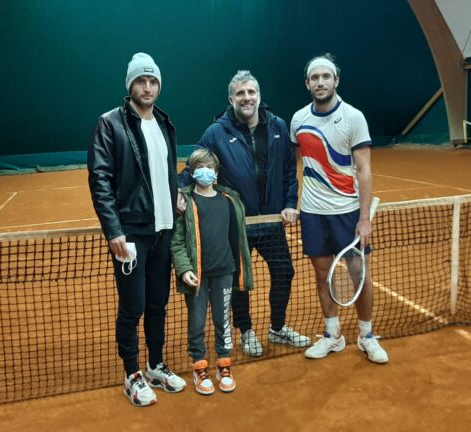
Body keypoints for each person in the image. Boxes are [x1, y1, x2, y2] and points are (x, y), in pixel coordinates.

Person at [178, 70, 310, 357]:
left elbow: (289, 171)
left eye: (251, 92)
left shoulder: (277, 126)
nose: (246, 98)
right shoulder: (216, 132)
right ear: (231, 99)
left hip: (271, 222)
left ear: (259, 95)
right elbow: (195, 166)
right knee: (238, 282)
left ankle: (277, 326)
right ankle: (246, 331)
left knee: (284, 272)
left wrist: (289, 202)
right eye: (240, 93)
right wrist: (178, 191)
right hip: (236, 224)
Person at [87, 52, 187, 407]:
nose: (147, 87)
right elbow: (100, 179)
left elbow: (163, 171)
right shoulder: (110, 123)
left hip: (163, 229)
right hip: (130, 233)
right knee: (133, 307)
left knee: (158, 302)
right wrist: (113, 229)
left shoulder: (164, 122)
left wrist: (176, 196)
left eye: (153, 81)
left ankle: (156, 364)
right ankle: (132, 374)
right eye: (141, 81)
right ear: (130, 85)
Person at [290, 54, 389, 364]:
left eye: (326, 76)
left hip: (347, 211)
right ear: (307, 83)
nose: (320, 82)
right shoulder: (298, 120)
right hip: (313, 212)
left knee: (359, 275)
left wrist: (364, 220)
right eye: (314, 77)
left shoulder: (353, 117)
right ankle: (332, 336)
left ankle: (367, 336)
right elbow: (296, 165)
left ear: (336, 81)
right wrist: (292, 205)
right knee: (323, 275)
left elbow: (364, 170)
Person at [171, 148, 253, 395]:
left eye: (210, 168)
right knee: (196, 322)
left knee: (223, 321)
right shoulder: (184, 202)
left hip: (225, 272)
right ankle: (199, 366)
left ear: (216, 173)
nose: (205, 172)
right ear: (192, 172)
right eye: (199, 167)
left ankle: (224, 365)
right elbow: (176, 242)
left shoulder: (230, 200)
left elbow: (236, 237)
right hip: (197, 276)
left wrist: (239, 268)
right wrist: (184, 269)